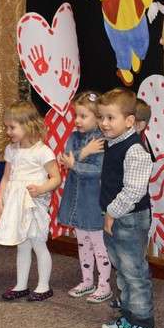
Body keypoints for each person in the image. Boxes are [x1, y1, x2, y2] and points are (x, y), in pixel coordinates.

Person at [97, 88, 156, 328]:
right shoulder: (112, 143)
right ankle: (129, 315)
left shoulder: (135, 150)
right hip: (115, 216)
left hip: (130, 219)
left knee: (134, 272)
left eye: (111, 118)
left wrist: (111, 212)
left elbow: (134, 190)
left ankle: (144, 322)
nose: (104, 123)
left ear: (130, 121)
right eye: (101, 117)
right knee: (121, 269)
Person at [0, 101, 62, 301]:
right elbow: (6, 177)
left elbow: (56, 178)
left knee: (38, 243)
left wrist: (41, 189)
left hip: (33, 204)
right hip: (16, 204)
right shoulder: (11, 150)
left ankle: (43, 286)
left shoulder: (42, 151)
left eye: (12, 127)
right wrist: (1, 201)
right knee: (22, 244)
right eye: (7, 127)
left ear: (28, 125)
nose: (8, 131)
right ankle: (21, 284)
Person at [57, 91, 112, 304]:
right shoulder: (74, 137)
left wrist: (76, 163)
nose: (77, 120)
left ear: (97, 118)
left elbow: (98, 171)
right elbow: (67, 158)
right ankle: (87, 281)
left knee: (99, 245)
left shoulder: (102, 140)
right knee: (83, 243)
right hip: (76, 200)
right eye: (76, 115)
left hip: (93, 202)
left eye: (83, 116)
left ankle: (104, 285)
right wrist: (84, 153)